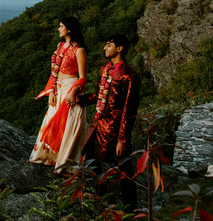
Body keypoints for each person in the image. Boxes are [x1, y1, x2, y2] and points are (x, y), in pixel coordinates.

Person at [76, 34, 140, 210]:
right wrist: (80, 100)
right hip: (99, 125)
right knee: (89, 159)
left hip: (115, 128)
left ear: (119, 49)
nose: (105, 48)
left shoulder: (129, 75)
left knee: (124, 169)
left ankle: (130, 210)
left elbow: (129, 110)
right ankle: (104, 202)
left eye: (109, 45)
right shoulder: (106, 69)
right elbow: (99, 96)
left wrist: (123, 139)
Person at [29, 16, 87, 174]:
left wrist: (73, 92)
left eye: (61, 26)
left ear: (69, 29)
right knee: (52, 122)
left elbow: (83, 78)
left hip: (70, 89)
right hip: (58, 89)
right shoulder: (60, 45)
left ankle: (65, 164)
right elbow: (54, 72)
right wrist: (51, 91)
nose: (59, 29)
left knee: (67, 127)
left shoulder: (79, 50)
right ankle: (52, 158)